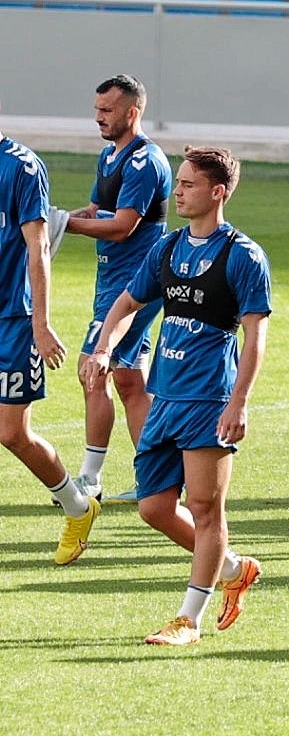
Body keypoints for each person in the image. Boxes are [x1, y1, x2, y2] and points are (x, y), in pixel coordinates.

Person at [83, 146, 268, 646]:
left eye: (187, 184)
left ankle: (190, 619)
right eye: (179, 182)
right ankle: (230, 567)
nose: (178, 192)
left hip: (209, 400)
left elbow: (255, 338)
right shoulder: (167, 248)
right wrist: (104, 348)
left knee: (207, 510)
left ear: (218, 192)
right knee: (154, 508)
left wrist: (240, 402)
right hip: (164, 394)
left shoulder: (242, 256)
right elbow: (128, 300)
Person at [59, 75, 171, 503]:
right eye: (97, 109)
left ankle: (90, 477)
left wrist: (65, 225)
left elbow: (123, 227)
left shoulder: (145, 161)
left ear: (132, 112)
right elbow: (96, 210)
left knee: (92, 370)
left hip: (134, 285)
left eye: (107, 110)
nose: (99, 118)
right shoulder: (111, 156)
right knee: (129, 382)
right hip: (111, 280)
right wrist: (53, 219)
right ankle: (156, 480)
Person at [0, 123, 101, 565]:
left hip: (13, 319)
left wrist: (41, 324)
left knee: (12, 433)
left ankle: (78, 508)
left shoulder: (21, 166)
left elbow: (38, 246)